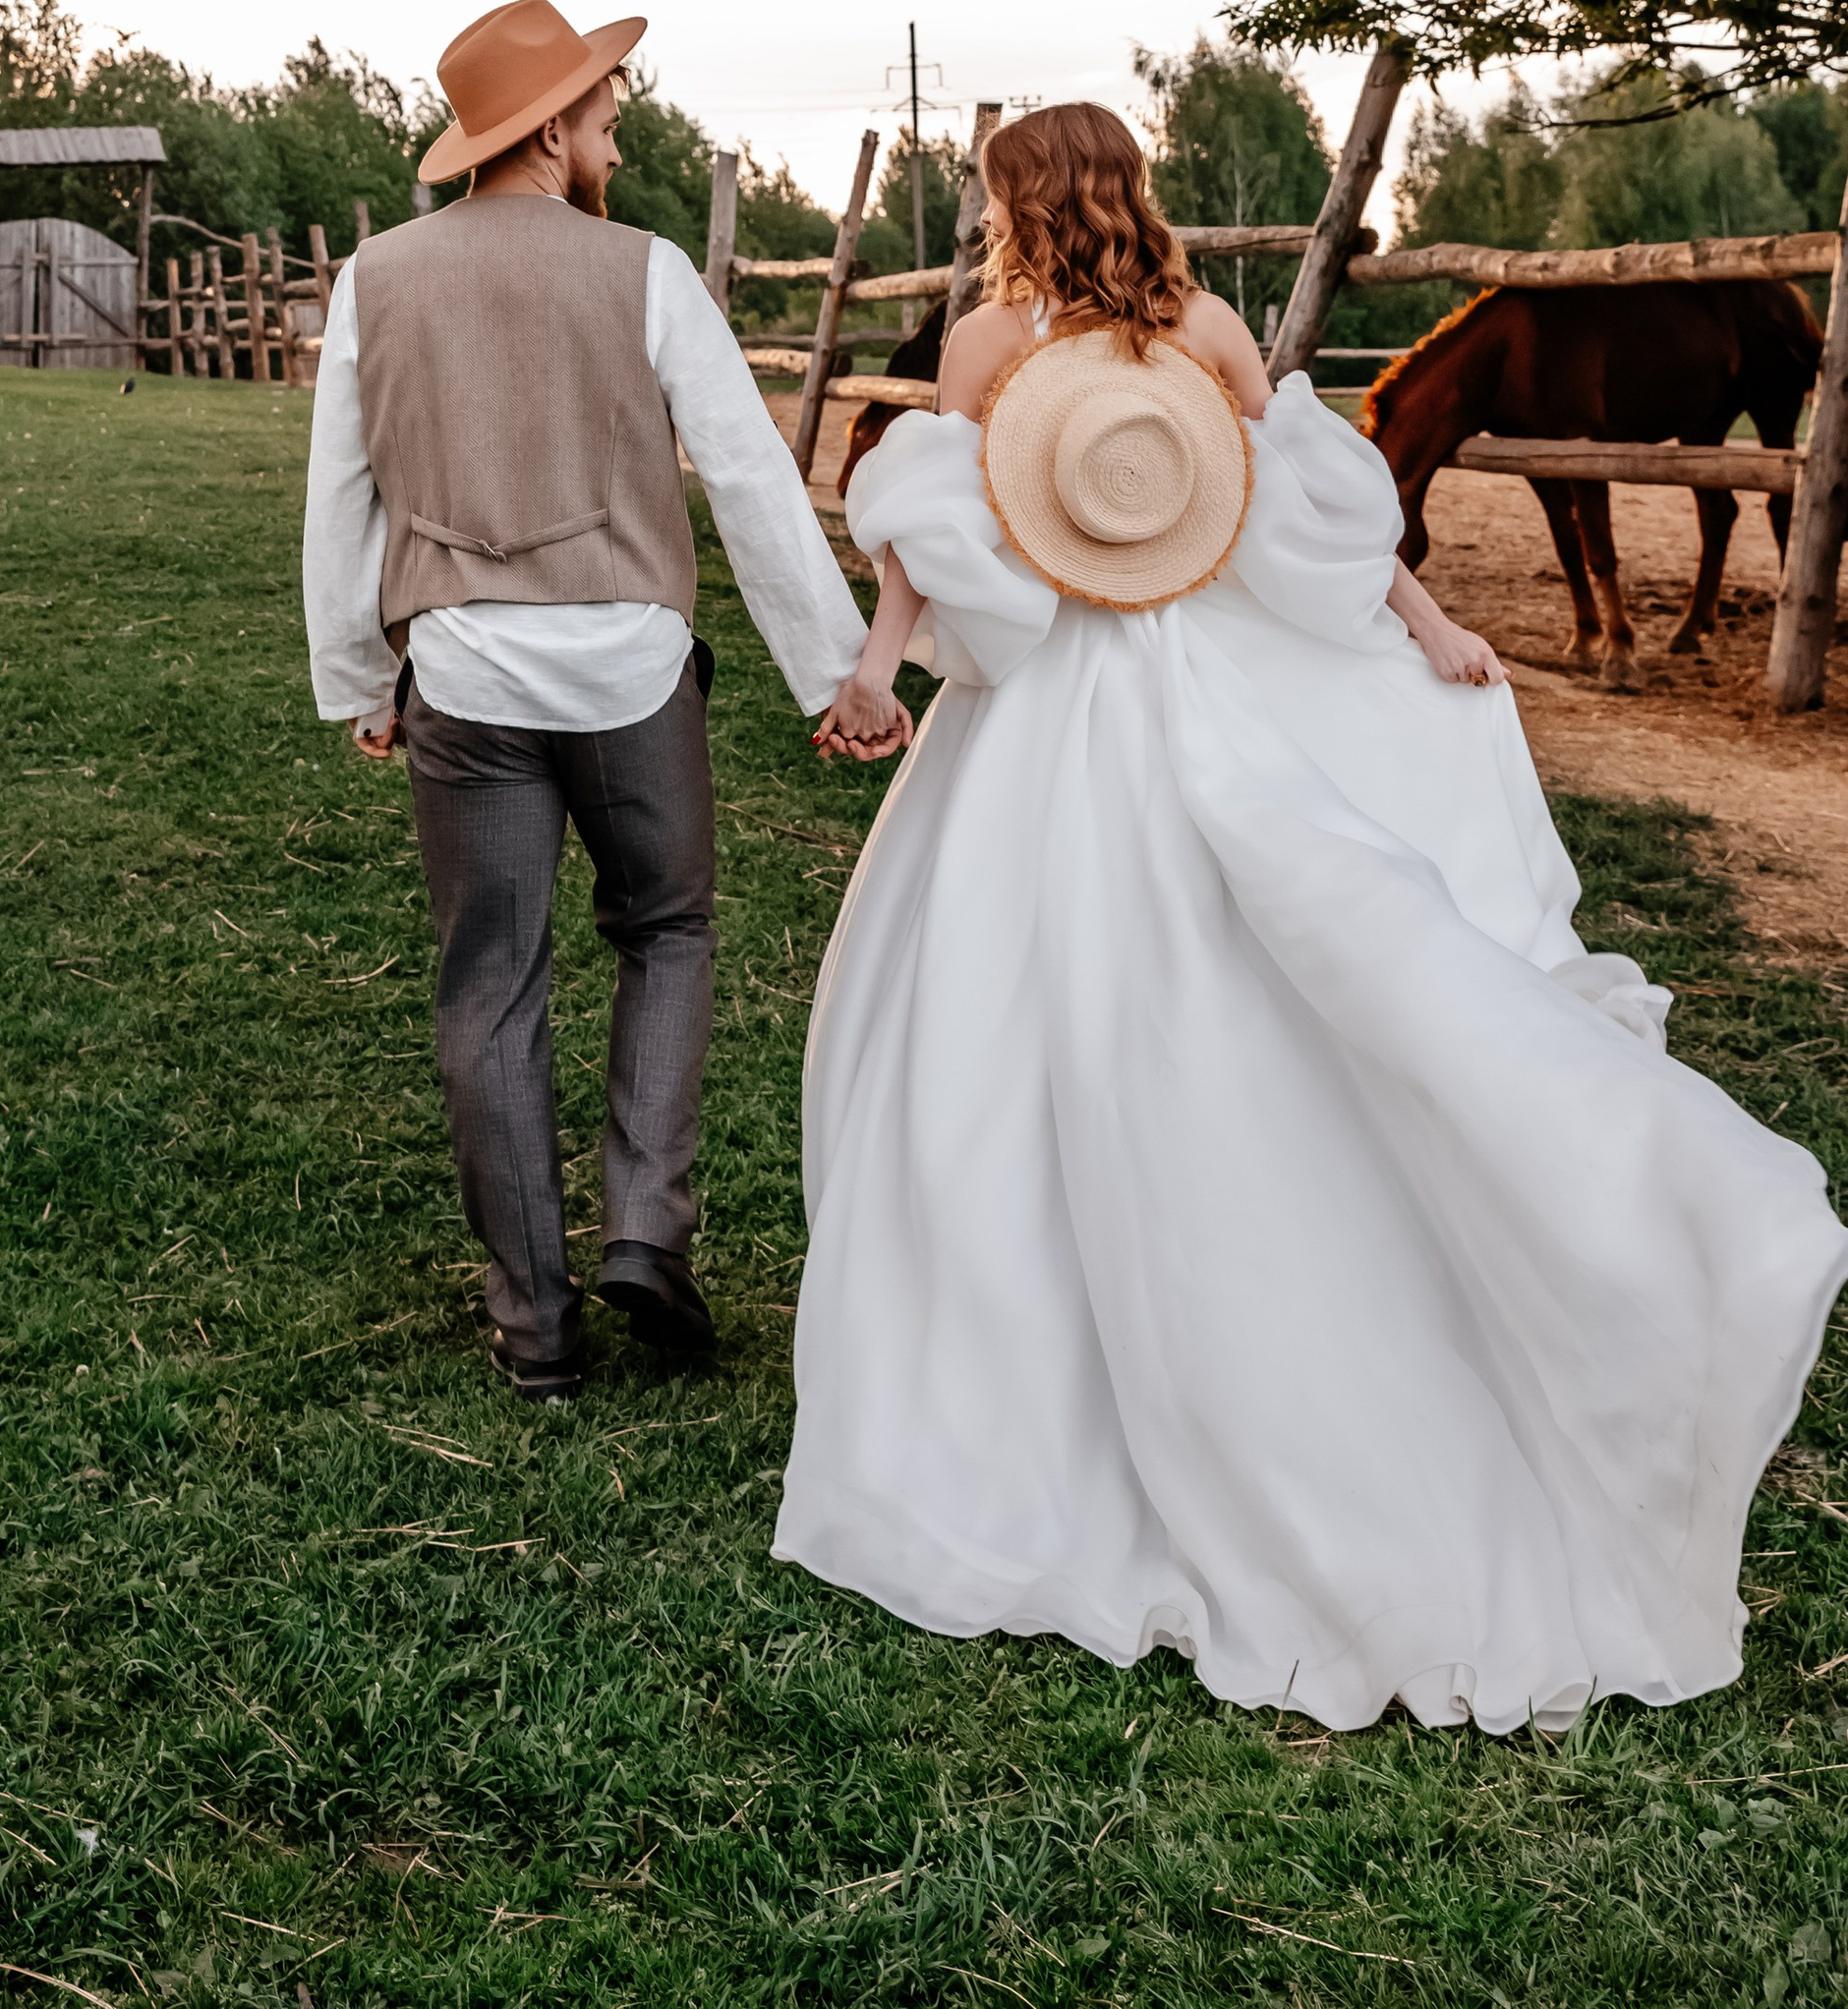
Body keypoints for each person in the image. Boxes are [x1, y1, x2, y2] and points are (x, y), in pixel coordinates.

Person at [775, 99, 1848, 1734]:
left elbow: (946, 552)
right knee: (1224, 983)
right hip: (1206, 686)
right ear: (1131, 195)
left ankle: (1019, 1371)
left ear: (1012, 203)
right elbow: (1317, 520)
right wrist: (1422, 624)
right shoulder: (1203, 324)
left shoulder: (994, 348)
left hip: (1053, 711)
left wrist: (872, 665)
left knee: (1000, 1028)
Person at [303, 0, 870, 1403]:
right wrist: (836, 670)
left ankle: (535, 1321)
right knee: (667, 928)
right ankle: (645, 1235)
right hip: (627, 673)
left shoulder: (375, 278)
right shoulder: (648, 270)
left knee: (490, 985)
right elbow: (745, 472)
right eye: (605, 108)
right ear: (551, 129)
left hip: (468, 676)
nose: (616, 125)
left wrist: (367, 679)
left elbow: (341, 498)